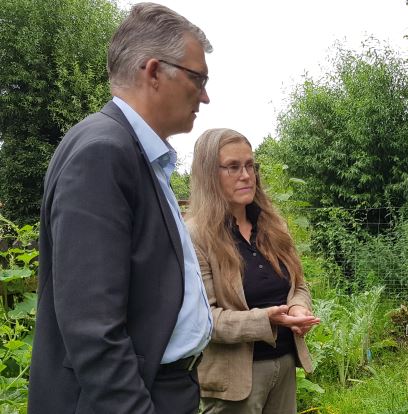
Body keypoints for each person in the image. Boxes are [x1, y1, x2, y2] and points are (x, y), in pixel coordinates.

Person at [28, 3, 213, 413]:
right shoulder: (104, 153)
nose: (205, 95)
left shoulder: (135, 153)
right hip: (133, 398)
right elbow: (93, 329)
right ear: (152, 72)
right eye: (197, 78)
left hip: (162, 387)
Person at [187, 128, 319, 414]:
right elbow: (205, 319)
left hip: (284, 366)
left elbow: (299, 285)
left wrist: (297, 310)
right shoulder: (195, 236)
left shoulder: (273, 225)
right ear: (209, 174)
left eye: (250, 165)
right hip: (234, 384)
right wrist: (267, 320)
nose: (246, 175)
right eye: (233, 167)